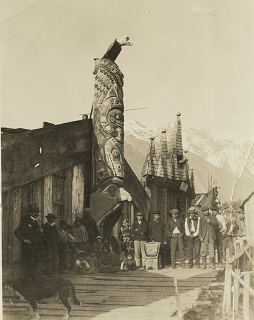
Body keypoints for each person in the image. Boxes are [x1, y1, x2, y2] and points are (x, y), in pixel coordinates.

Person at [14, 204, 45, 280]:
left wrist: (40, 232)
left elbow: (35, 233)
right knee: (30, 262)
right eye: (34, 212)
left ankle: (37, 275)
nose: (36, 213)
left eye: (37, 212)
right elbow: (16, 231)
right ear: (30, 212)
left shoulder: (34, 221)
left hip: (36, 245)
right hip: (29, 246)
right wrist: (24, 240)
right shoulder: (26, 220)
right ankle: (30, 278)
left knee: (36, 261)